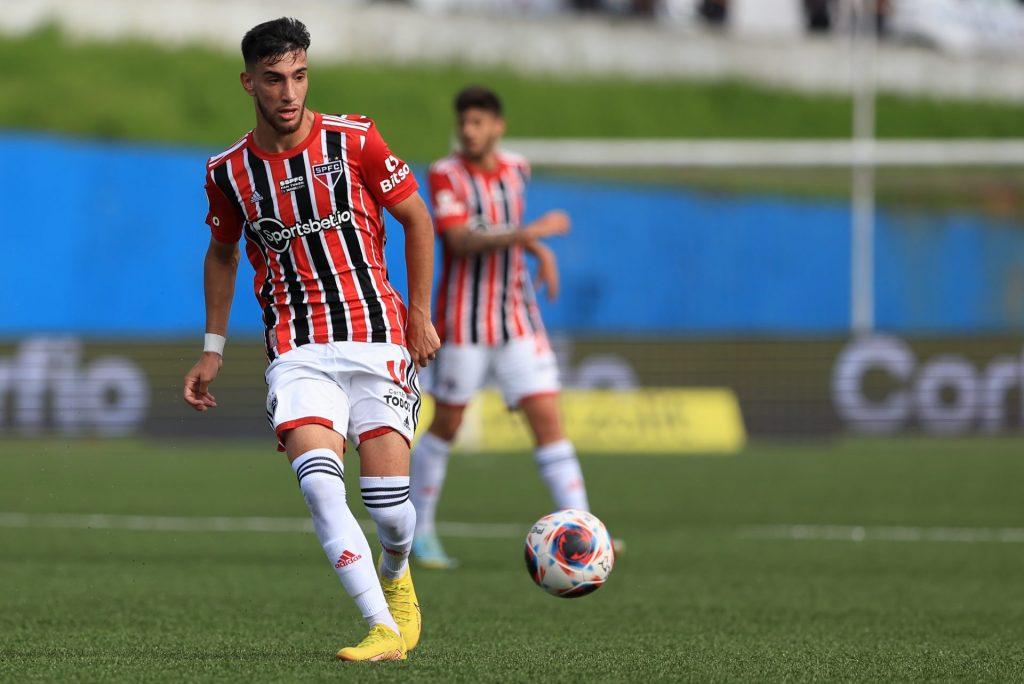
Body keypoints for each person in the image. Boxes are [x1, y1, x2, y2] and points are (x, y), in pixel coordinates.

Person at [182, 17, 439, 662]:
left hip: (377, 335)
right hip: (297, 348)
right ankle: (382, 628)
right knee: (322, 485)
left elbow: (416, 218)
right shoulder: (229, 171)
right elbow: (221, 253)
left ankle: (398, 570)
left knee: (389, 510)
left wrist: (422, 315)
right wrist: (214, 346)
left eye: (298, 76)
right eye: (273, 79)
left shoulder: (356, 140)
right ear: (249, 83)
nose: (288, 92)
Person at [409, 86, 588, 568]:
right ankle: (420, 530)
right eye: (463, 122)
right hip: (463, 322)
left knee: (549, 419)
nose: (468, 131)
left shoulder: (517, 168)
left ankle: (586, 533)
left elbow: (503, 226)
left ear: (497, 126)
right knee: (448, 422)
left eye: (478, 122)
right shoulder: (445, 174)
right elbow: (462, 240)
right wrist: (531, 236)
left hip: (517, 317)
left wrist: (538, 251)